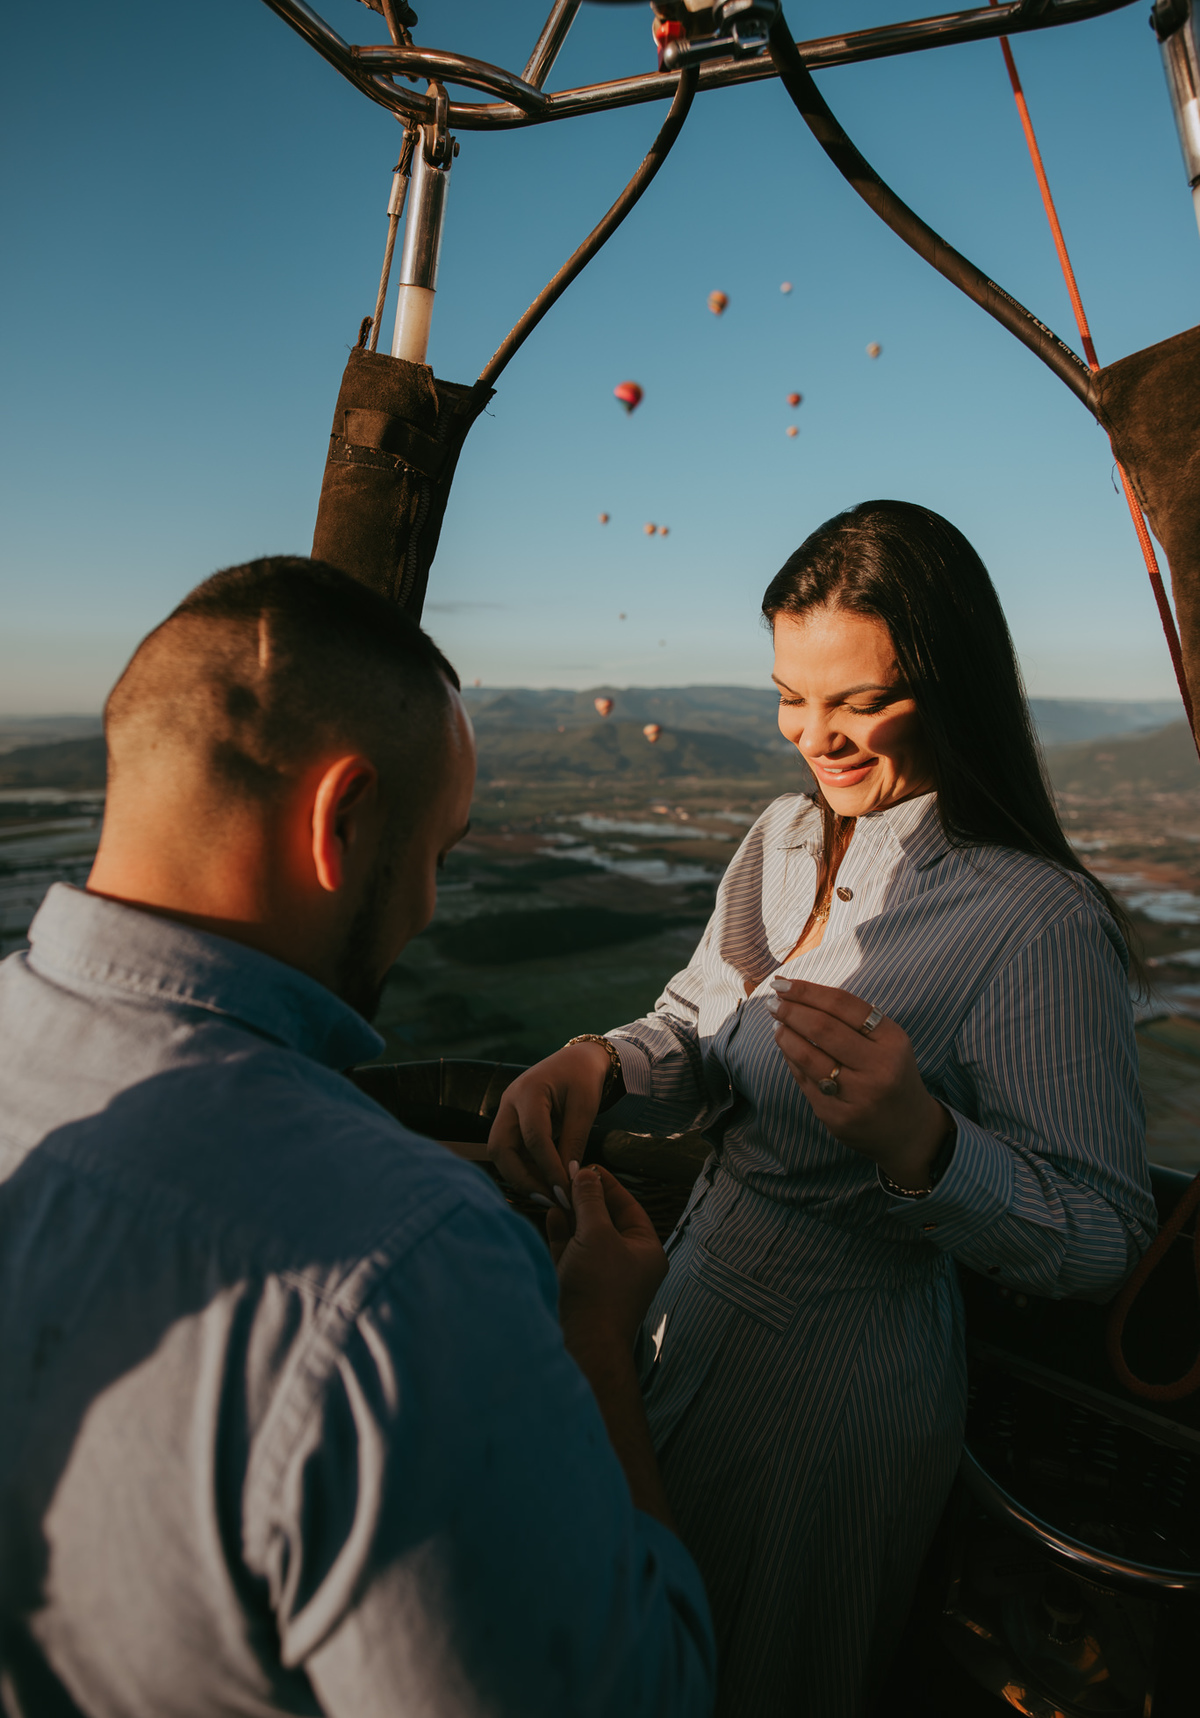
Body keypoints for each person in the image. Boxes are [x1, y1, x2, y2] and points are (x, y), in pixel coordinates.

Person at [0, 557, 715, 1718]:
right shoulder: (411, 1268)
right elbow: (645, 1692)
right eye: (434, 855)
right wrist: (591, 1343)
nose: (429, 905)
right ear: (343, 820)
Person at [489, 501, 1157, 1718]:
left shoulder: (1036, 918)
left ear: (951, 680)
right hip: (675, 1306)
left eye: (858, 702)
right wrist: (599, 1061)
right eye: (793, 697)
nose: (816, 737)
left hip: (840, 1388)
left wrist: (928, 1149)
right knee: (625, 1647)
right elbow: (697, 1016)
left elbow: (1105, 1233)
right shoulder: (782, 838)